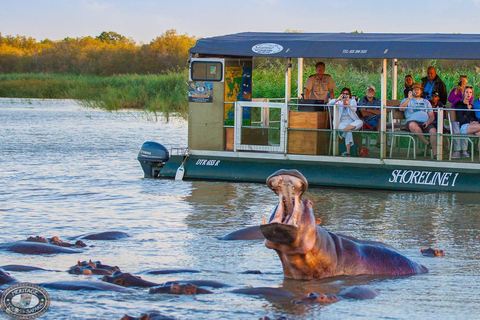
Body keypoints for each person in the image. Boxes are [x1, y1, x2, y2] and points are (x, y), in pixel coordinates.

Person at [399, 83, 437, 159]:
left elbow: (431, 115)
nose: (416, 91)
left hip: (425, 122)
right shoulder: (406, 100)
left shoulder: (426, 102)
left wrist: (428, 122)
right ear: (411, 91)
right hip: (412, 121)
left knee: (433, 130)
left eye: (418, 89)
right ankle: (427, 142)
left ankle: (435, 154)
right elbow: (401, 108)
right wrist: (409, 98)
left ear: (421, 91)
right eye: (414, 89)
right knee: (413, 125)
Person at [329, 87, 363, 156]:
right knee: (349, 131)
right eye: (343, 93)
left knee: (360, 122)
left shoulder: (352, 101)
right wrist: (337, 99)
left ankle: (342, 131)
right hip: (341, 122)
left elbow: (354, 109)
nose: (345, 95)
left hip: (351, 121)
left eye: (347, 94)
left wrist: (348, 104)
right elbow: (329, 103)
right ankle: (348, 152)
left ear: (349, 95)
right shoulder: (339, 101)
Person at [454, 85, 480, 153]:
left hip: (472, 126)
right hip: (463, 127)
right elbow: (461, 120)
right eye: (467, 92)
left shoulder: (471, 105)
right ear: (464, 93)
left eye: (470, 92)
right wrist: (468, 110)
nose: (468, 94)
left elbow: (473, 117)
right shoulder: (459, 105)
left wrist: (475, 121)